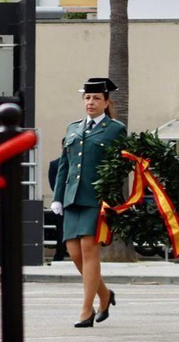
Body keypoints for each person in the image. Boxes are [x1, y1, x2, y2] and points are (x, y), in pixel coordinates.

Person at [50, 77, 127, 327]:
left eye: (96, 98)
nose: (90, 102)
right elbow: (65, 164)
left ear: (106, 102)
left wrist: (112, 198)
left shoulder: (115, 129)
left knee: (88, 250)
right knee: (74, 254)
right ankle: (104, 294)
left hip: (96, 199)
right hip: (72, 198)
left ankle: (86, 310)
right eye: (87, 98)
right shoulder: (73, 127)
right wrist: (58, 197)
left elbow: (120, 167)